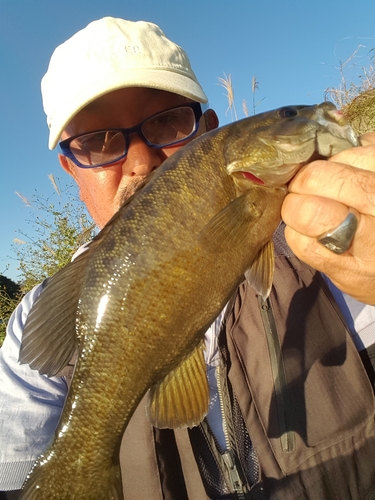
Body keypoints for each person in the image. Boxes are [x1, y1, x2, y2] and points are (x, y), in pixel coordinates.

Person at [0, 17, 374, 500]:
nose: (139, 161)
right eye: (98, 141)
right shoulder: (38, 315)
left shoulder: (327, 248)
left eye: (167, 121)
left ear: (208, 130)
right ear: (72, 167)